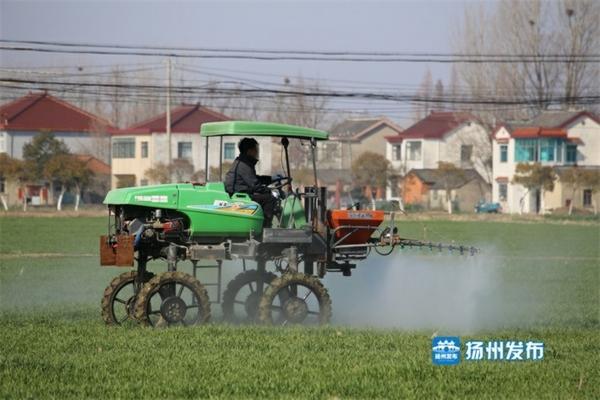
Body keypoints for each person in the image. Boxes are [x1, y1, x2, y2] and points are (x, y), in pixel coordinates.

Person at [225, 138, 277, 228]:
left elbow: (254, 179)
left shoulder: (243, 162)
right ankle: (265, 227)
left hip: (241, 192)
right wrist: (269, 191)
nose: (257, 152)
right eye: (255, 150)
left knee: (265, 196)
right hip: (239, 195)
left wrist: (272, 179)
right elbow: (255, 185)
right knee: (270, 199)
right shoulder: (243, 165)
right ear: (249, 151)